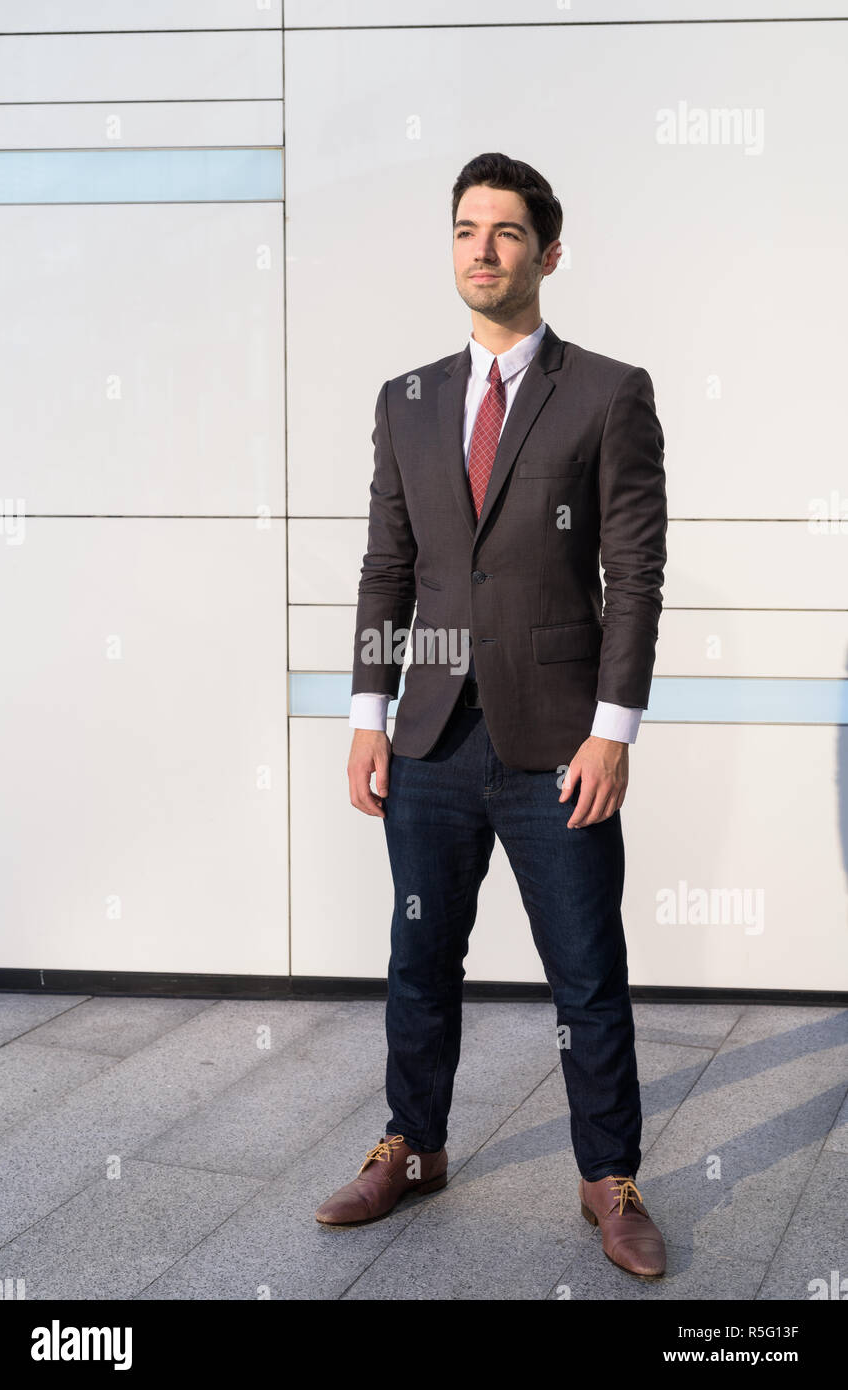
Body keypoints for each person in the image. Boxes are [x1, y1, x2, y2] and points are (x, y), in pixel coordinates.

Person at [315, 152, 668, 1280]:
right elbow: (388, 564)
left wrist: (612, 729)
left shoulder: (609, 391)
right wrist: (369, 712)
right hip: (427, 739)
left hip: (557, 743)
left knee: (585, 970)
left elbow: (635, 571)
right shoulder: (407, 400)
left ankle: (609, 1179)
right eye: (466, 229)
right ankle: (413, 1147)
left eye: (506, 233)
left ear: (547, 254)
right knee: (420, 957)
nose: (482, 249)